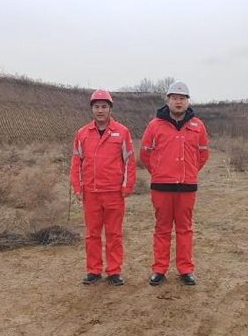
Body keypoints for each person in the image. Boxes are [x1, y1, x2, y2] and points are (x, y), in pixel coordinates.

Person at [140, 81, 209, 286]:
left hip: (187, 187)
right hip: (161, 187)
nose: (178, 102)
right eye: (174, 98)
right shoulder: (154, 125)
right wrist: (159, 172)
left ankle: (185, 269)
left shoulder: (198, 125)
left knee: (184, 229)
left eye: (182, 98)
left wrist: (190, 172)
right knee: (162, 229)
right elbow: (145, 154)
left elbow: (203, 154)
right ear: (167, 100)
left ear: (187, 101)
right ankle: (159, 269)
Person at [70, 89, 136, 286]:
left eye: (104, 107)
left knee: (114, 234)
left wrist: (127, 186)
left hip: (114, 193)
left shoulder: (122, 132)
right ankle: (94, 270)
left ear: (110, 109)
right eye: (96, 107)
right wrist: (77, 187)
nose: (100, 110)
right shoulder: (82, 133)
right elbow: (76, 163)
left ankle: (114, 270)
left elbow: (129, 161)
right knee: (92, 234)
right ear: (92, 109)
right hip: (91, 193)